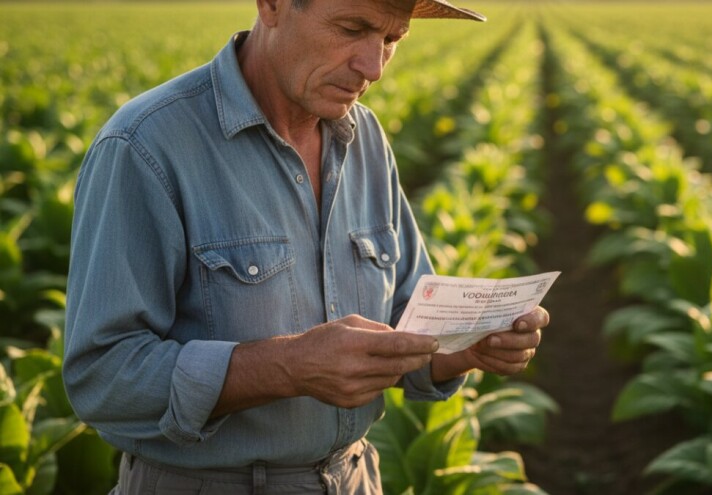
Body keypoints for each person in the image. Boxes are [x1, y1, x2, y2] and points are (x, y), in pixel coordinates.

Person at [63, 0, 550, 493]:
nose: (374, 67)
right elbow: (102, 377)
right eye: (353, 27)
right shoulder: (146, 144)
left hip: (354, 477)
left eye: (391, 40)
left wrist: (468, 345)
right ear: (271, 5)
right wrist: (288, 367)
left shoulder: (366, 138)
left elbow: (405, 324)